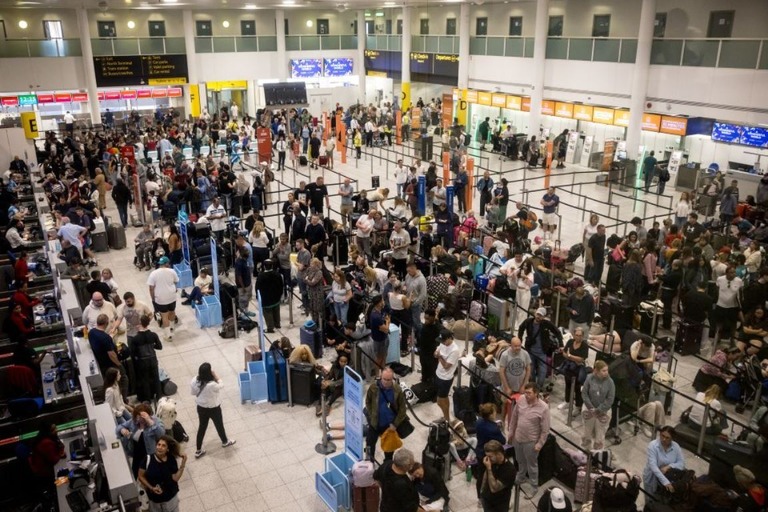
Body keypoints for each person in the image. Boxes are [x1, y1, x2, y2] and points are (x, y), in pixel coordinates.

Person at [508, 383, 550, 496]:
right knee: (520, 460)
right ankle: (520, 477)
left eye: (529, 393)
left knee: (532, 465)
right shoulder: (521, 399)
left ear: (536, 393)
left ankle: (534, 487)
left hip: (531, 442)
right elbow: (514, 417)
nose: (526, 395)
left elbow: (545, 429)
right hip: (518, 438)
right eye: (525, 392)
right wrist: (511, 432)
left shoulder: (543, 408)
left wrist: (540, 444)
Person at [190, 363, 236, 458]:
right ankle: (225, 441)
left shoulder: (194, 380)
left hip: (201, 408)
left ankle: (198, 450)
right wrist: (216, 376)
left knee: (202, 427)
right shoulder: (212, 384)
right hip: (214, 409)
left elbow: (193, 392)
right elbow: (221, 385)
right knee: (219, 425)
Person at [364, 367, 407, 461]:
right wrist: (371, 416)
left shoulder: (397, 390)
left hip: (389, 426)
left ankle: (387, 467)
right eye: (384, 379)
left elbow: (402, 410)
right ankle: (369, 462)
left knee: (389, 451)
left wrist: (395, 424)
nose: (386, 382)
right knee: (369, 445)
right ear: (380, 377)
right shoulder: (373, 387)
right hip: (375, 423)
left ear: (393, 379)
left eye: (389, 380)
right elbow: (368, 402)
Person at [137, 436, 187, 512]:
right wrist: (151, 488)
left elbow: (175, 478)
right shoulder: (147, 459)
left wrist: (182, 465)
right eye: (158, 444)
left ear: (167, 449)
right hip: (155, 500)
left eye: (163, 445)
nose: (160, 447)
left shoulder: (171, 459)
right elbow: (141, 476)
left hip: (170, 498)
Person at [116, 404, 166, 477]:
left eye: (142, 417)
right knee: (135, 474)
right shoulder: (134, 422)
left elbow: (161, 434)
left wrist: (150, 422)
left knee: (150, 475)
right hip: (136, 454)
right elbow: (119, 427)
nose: (139, 420)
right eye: (137, 417)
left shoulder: (155, 421)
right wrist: (122, 430)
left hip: (149, 454)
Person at [518, 308, 562, 390]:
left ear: (543, 317)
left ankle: (538, 388)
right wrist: (519, 340)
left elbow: (557, 332)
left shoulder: (546, 324)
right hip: (530, 351)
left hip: (542, 352)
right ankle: (533, 387)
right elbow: (521, 328)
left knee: (543, 371)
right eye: (538, 314)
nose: (538, 316)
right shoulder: (528, 322)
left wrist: (561, 345)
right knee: (530, 370)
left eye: (541, 315)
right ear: (535, 313)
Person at [27, 420, 65, 505]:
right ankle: (56, 496)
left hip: (40, 466)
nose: (56, 430)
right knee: (62, 480)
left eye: (55, 428)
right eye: (53, 429)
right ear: (48, 432)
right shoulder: (46, 443)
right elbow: (54, 459)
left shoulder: (45, 438)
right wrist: (61, 451)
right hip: (42, 471)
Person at [581, 359, 615, 450]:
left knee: (600, 435)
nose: (606, 373)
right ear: (596, 371)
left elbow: (610, 399)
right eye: (603, 371)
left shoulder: (610, 382)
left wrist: (599, 409)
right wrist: (590, 407)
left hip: (603, 412)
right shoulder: (589, 378)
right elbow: (584, 393)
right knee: (586, 432)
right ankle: (584, 451)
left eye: (607, 370)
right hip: (589, 409)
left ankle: (598, 455)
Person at [642, 426, 686, 496]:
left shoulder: (676, 447)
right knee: (650, 499)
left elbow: (681, 463)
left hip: (669, 478)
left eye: (667, 437)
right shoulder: (652, 445)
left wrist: (669, 466)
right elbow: (653, 466)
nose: (664, 439)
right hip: (652, 478)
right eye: (662, 436)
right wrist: (666, 482)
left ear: (672, 438)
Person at [373, 447, 420, 512]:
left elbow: (376, 478)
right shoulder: (401, 484)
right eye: (412, 463)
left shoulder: (387, 464)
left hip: (385, 506)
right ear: (406, 466)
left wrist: (385, 489)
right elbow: (411, 507)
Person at [130, 314, 163, 404]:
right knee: (156, 378)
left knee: (145, 380)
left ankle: (147, 399)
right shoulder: (153, 335)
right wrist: (152, 346)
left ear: (140, 323)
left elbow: (132, 352)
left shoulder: (135, 338)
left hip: (142, 361)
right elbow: (160, 347)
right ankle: (159, 396)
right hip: (152, 359)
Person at [557, 327, 590, 413]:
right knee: (567, 384)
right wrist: (571, 357)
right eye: (576, 335)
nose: (578, 337)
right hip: (569, 367)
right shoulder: (570, 342)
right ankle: (567, 401)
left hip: (578, 370)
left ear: (582, 336)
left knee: (577, 388)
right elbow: (564, 353)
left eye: (580, 335)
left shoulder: (585, 346)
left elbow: (581, 359)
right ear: (574, 335)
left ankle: (578, 406)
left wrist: (570, 356)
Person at [479, 439, 518, 512]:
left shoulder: (509, 470)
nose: (488, 459)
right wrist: (482, 491)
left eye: (490, 456)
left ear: (499, 454)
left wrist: (489, 468)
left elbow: (494, 489)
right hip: (487, 499)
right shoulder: (492, 461)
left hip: (499, 505)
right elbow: (486, 473)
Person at [147, 256, 178, 341]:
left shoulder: (153, 274)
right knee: (172, 312)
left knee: (164, 316)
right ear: (167, 263)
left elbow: (151, 288)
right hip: (172, 296)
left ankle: (168, 336)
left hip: (161, 298)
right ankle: (172, 328)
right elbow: (176, 282)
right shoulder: (172, 271)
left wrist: (153, 298)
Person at [434, 330, 461, 422]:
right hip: (438, 374)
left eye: (444, 341)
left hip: (445, 379)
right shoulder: (442, 343)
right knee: (443, 399)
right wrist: (437, 354)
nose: (443, 343)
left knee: (440, 401)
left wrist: (439, 356)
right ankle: (446, 418)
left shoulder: (455, 350)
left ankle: (447, 419)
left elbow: (446, 366)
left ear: (450, 338)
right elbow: (436, 352)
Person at [369, 294, 391, 374]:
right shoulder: (375, 316)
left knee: (384, 356)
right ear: (378, 303)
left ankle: (383, 372)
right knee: (379, 358)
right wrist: (388, 321)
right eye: (382, 301)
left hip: (383, 338)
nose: (383, 302)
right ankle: (377, 375)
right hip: (379, 340)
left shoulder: (380, 311)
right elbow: (386, 329)